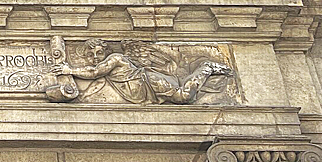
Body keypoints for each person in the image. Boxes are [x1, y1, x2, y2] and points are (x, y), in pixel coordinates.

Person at [51, 38, 232, 104]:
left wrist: (69, 69)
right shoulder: (106, 69)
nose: (95, 57)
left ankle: (206, 68)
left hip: (149, 82)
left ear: (107, 52)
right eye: (90, 55)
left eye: (99, 52)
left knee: (184, 97)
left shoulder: (115, 58)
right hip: (139, 91)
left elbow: (95, 72)